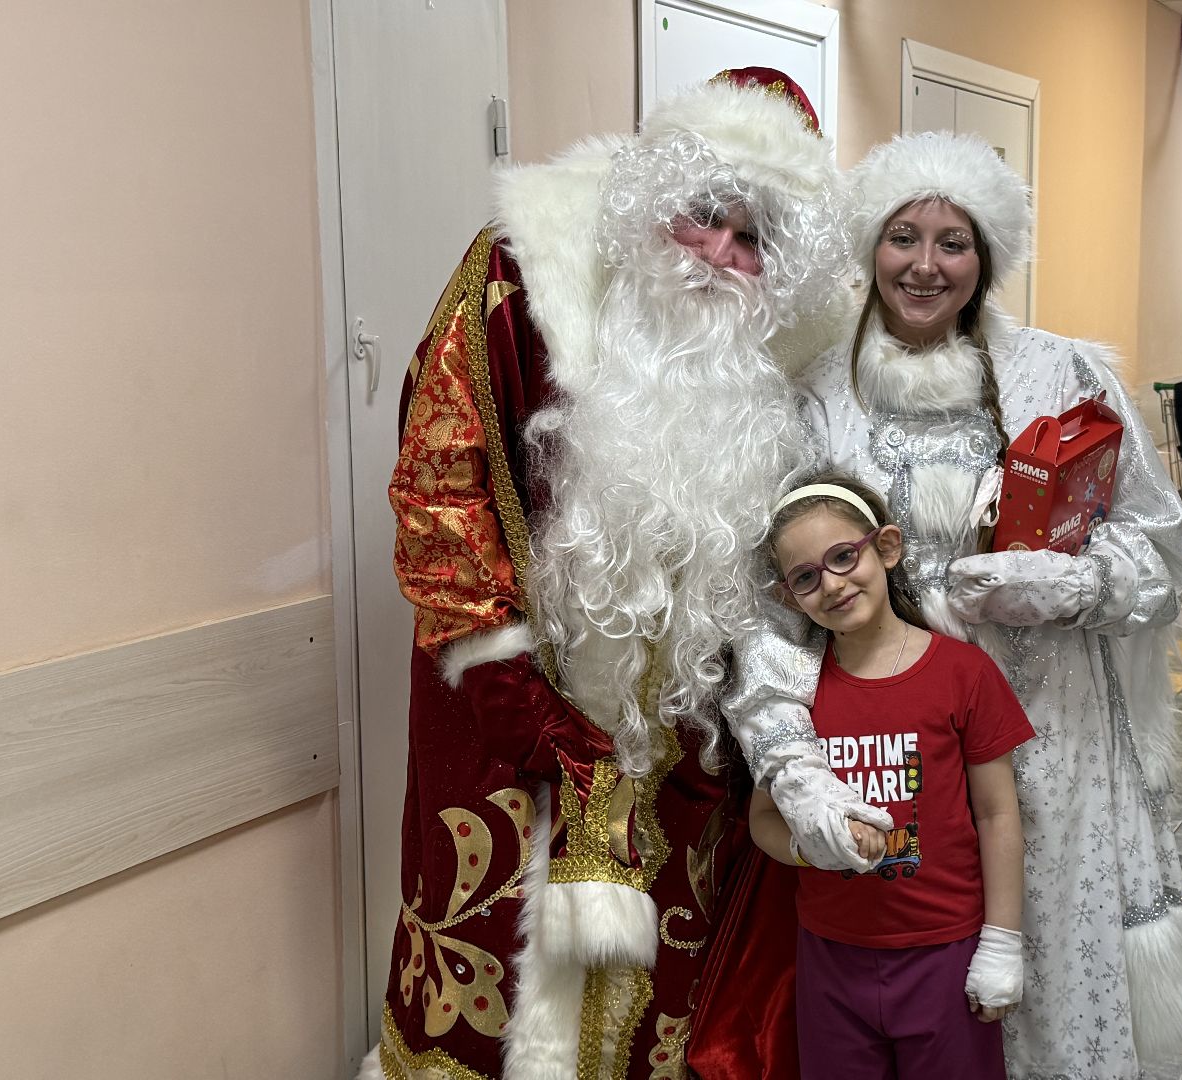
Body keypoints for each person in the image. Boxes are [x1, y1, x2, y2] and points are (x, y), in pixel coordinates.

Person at [360, 69, 867, 1080]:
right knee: (492, 1004)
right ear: (654, 204)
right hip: (503, 725)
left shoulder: (771, 361)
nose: (719, 256)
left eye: (753, 241)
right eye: (704, 218)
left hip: (681, 754)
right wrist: (530, 714)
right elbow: (439, 498)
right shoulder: (520, 279)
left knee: (656, 1013)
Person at [724, 131, 1182, 1078]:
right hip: (897, 744)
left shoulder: (1066, 376)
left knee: (1053, 984)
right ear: (872, 245)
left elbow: (1159, 557)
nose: (925, 264)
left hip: (1055, 745)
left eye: (953, 241)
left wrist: (1071, 586)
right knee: (921, 1003)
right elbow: (770, 601)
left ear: (986, 257)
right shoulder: (813, 401)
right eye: (903, 235)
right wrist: (795, 771)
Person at [748, 475, 1032, 1078]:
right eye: (806, 577)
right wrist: (810, 848)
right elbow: (763, 819)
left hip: (944, 952)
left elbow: (998, 814)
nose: (832, 584)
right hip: (832, 957)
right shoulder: (791, 696)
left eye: (843, 556)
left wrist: (1003, 942)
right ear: (788, 595)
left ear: (887, 547)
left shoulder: (963, 673)